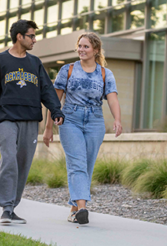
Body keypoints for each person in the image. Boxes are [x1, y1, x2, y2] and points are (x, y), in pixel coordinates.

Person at [0, 20, 64, 225]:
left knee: (23, 164)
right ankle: (6, 208)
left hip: (30, 119)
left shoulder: (35, 63)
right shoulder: (0, 60)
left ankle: (13, 207)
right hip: (7, 118)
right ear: (20, 36)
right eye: (32, 36)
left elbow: (46, 89)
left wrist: (55, 110)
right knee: (9, 159)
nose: (34, 40)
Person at [43, 32, 122, 225]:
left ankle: (74, 210)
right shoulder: (68, 70)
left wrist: (117, 119)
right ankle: (83, 209)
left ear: (96, 50)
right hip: (70, 119)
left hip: (95, 120)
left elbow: (112, 98)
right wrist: (48, 128)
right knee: (77, 163)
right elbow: (55, 101)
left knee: (86, 166)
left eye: (86, 46)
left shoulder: (105, 73)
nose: (81, 50)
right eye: (79, 46)